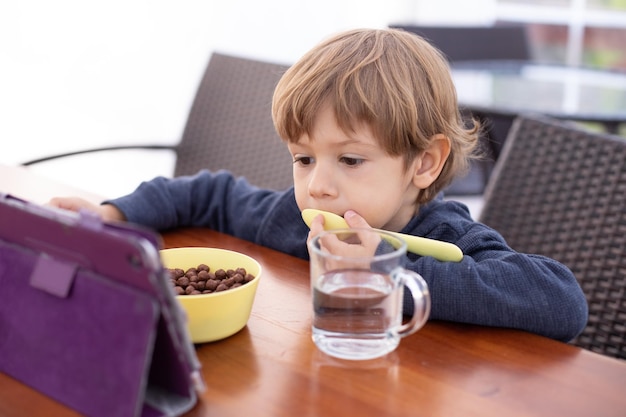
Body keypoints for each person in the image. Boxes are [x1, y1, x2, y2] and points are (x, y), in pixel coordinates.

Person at [50, 28, 588, 342]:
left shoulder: (446, 237)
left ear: (423, 164)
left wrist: (391, 273)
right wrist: (112, 215)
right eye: (303, 158)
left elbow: (561, 302)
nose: (317, 187)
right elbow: (206, 193)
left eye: (350, 160)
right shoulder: (287, 215)